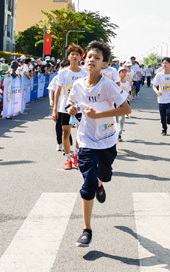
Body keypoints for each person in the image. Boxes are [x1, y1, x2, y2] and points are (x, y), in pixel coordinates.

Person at [67, 41, 131, 248]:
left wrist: (100, 114)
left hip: (107, 140)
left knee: (104, 176)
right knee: (87, 184)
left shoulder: (107, 85)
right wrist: (72, 109)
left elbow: (125, 109)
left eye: (97, 57)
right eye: (90, 57)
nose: (91, 60)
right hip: (86, 139)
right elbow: (72, 102)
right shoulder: (77, 84)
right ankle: (86, 230)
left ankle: (101, 183)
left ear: (104, 64)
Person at [53, 44, 87, 170]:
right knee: (65, 132)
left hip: (80, 107)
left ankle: (76, 155)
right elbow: (58, 91)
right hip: (65, 107)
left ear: (80, 57)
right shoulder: (63, 72)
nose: (74, 56)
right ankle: (68, 158)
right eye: (72, 54)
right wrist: (55, 108)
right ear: (69, 56)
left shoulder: (84, 72)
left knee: (80, 132)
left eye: (77, 54)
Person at [151, 57, 170, 136]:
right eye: (163, 63)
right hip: (162, 99)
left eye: (166, 63)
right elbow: (154, 86)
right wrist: (157, 91)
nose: (164, 64)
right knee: (162, 116)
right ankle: (164, 129)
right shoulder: (159, 75)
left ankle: (169, 117)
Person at [116, 64, 133, 141]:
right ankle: (115, 133)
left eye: (125, 72)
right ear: (119, 73)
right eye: (122, 72)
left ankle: (119, 134)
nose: (124, 73)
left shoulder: (127, 83)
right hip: (115, 102)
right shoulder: (116, 82)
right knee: (115, 119)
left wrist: (129, 96)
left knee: (121, 119)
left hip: (123, 103)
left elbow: (127, 91)